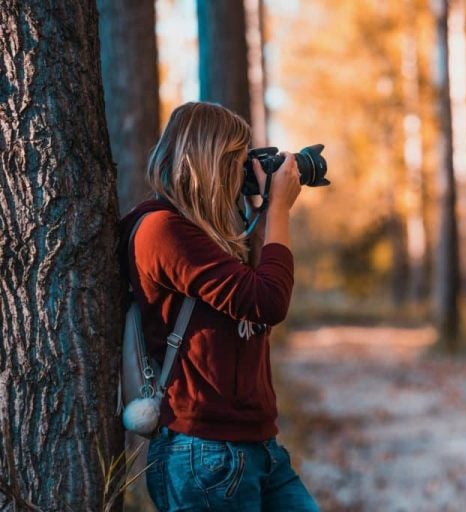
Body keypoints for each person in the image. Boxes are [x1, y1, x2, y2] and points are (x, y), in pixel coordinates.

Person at [117, 101, 320, 511]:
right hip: (205, 453)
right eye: (239, 160)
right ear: (213, 160)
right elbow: (267, 302)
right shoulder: (163, 229)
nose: (244, 170)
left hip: (255, 445)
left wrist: (260, 213)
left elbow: (256, 291)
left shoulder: (205, 234)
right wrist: (279, 209)